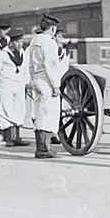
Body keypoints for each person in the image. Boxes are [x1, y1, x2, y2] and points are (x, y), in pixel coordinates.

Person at [28, 14, 67, 158]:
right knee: (47, 114)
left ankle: (42, 147)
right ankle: (43, 149)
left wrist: (32, 80)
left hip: (37, 80)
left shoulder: (34, 41)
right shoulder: (50, 43)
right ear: (52, 28)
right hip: (47, 82)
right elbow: (51, 66)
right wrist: (56, 86)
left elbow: (30, 64)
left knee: (39, 113)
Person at [0, 28, 31, 147]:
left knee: (19, 109)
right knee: (6, 109)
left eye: (21, 42)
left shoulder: (23, 53)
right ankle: (8, 137)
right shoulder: (2, 54)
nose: (20, 44)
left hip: (19, 84)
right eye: (17, 42)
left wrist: (26, 83)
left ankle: (17, 137)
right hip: (6, 85)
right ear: (11, 42)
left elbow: (25, 70)